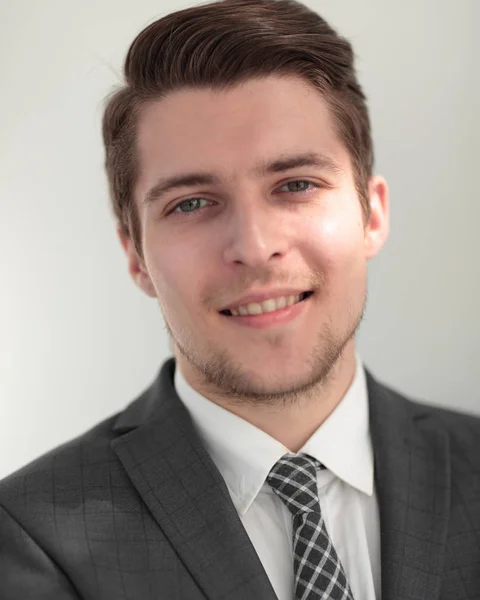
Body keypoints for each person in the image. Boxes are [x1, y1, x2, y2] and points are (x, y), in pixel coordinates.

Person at [1, 0, 479, 598]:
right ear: (135, 255)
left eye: (297, 184)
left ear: (372, 213)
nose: (254, 249)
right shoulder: (26, 536)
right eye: (192, 203)